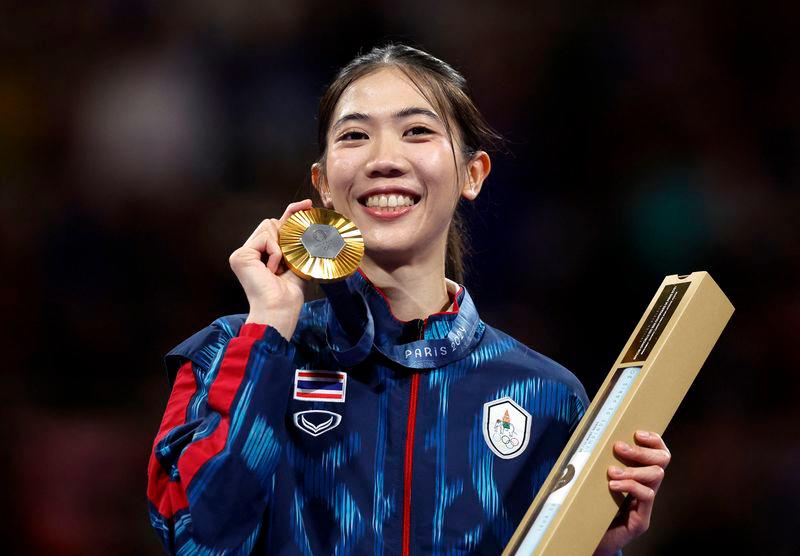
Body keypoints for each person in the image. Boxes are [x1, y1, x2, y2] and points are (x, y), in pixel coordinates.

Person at [147, 44, 671, 555]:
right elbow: (198, 540)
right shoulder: (229, 353)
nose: (384, 159)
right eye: (355, 135)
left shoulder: (547, 397)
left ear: (473, 174)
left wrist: (593, 546)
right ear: (324, 184)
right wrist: (268, 332)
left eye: (417, 131)